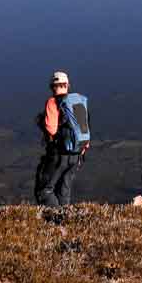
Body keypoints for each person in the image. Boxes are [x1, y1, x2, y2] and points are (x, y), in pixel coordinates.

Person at [34, 70, 88, 209]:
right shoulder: (78, 101)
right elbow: (84, 128)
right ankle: (66, 217)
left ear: (52, 87)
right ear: (67, 85)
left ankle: (57, 218)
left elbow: (51, 129)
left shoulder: (53, 102)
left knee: (44, 191)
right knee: (64, 190)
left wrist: (41, 123)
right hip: (77, 153)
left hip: (59, 154)